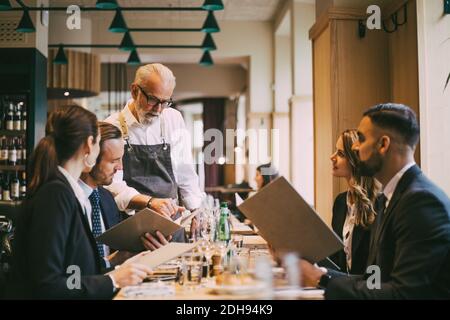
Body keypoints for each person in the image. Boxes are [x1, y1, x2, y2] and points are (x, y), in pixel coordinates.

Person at [299, 103, 450, 299]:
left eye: (361, 138)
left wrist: (319, 280)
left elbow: (404, 295)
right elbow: (374, 279)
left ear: (383, 144)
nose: (355, 146)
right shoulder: (386, 198)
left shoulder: (421, 201)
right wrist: (320, 274)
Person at [7, 106, 152, 299]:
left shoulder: (66, 192)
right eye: (99, 143)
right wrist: (113, 279)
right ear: (89, 144)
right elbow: (48, 285)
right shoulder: (56, 195)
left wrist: (117, 265)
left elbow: (71, 272)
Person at [105, 64, 202, 241]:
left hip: (172, 223)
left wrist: (196, 210)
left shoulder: (173, 118)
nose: (158, 109)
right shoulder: (112, 126)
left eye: (165, 102)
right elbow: (112, 186)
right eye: (153, 100)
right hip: (131, 225)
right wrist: (150, 202)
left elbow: (184, 171)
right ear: (135, 91)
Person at [79, 122, 170, 267]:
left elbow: (117, 255)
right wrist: (114, 260)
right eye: (113, 161)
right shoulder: (67, 200)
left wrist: (142, 247)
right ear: (90, 157)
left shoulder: (107, 199)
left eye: (121, 159)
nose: (120, 167)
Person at [328, 129, 380, 274]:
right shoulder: (340, 202)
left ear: (355, 160)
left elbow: (375, 269)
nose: (332, 157)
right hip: (346, 289)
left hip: (368, 292)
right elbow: (337, 260)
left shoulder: (378, 204)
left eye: (340, 154)